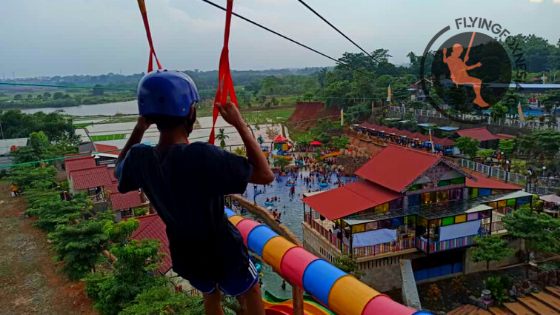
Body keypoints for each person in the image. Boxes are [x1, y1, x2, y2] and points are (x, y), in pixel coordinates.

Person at [115, 70, 272, 315]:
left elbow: (118, 171)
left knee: (210, 295)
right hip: (224, 251)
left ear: (148, 115)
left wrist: (138, 129)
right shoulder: (201, 155)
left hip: (185, 253)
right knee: (250, 290)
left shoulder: (140, 158)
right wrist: (239, 123)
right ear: (190, 111)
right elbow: (265, 175)